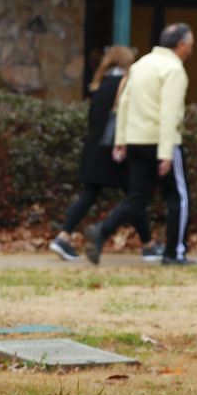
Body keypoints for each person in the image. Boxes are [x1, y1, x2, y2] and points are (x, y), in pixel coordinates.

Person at [85, 22, 194, 266]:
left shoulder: (141, 65)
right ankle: (174, 252)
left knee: (137, 197)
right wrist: (166, 152)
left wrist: (122, 140)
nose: (190, 50)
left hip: (136, 140)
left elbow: (123, 103)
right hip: (161, 140)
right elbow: (169, 112)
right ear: (179, 45)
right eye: (189, 44)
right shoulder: (174, 70)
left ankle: (102, 230)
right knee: (178, 198)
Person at [49, 46, 161, 262]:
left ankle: (63, 236)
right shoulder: (125, 84)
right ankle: (148, 245)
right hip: (115, 150)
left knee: (90, 195)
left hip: (94, 148)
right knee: (135, 197)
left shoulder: (99, 84)